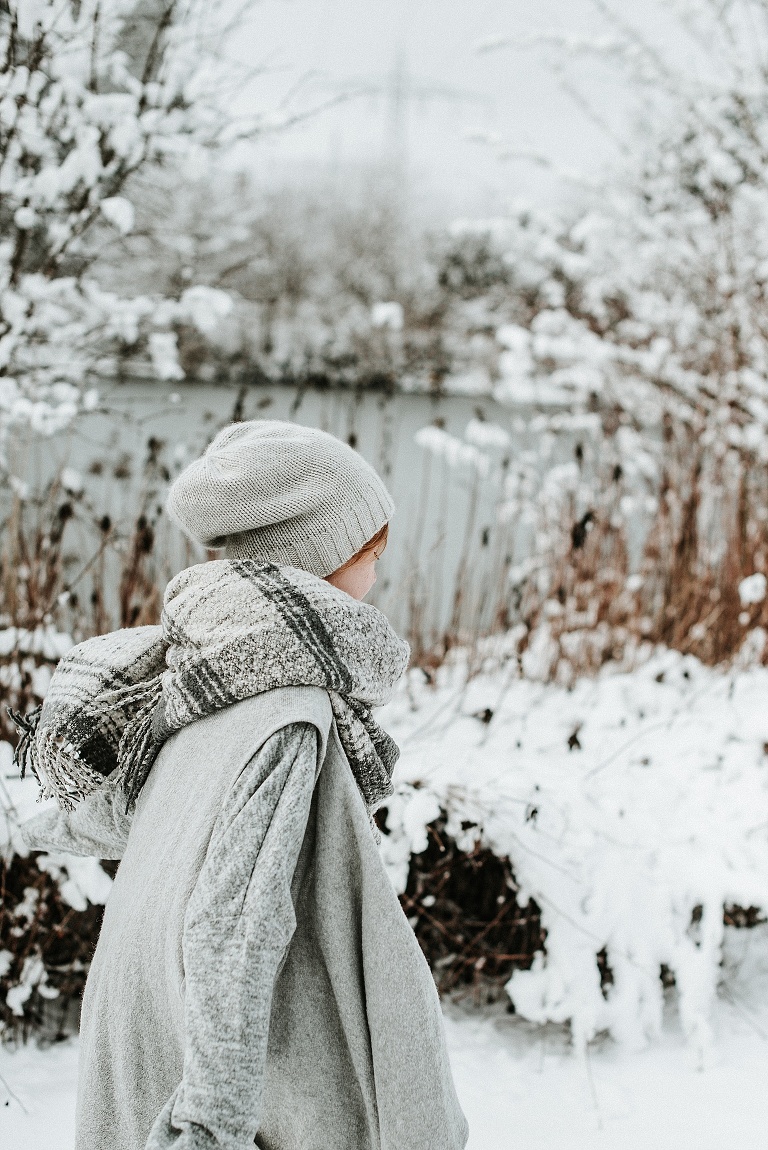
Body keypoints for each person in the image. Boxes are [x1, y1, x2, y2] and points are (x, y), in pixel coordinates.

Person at [19, 420, 469, 1150]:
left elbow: (143, 825)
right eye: (371, 554)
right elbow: (233, 929)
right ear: (319, 557)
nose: (376, 579)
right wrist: (210, 1125)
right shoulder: (284, 712)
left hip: (148, 1034)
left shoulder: (198, 678)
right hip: (244, 1089)